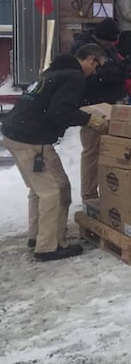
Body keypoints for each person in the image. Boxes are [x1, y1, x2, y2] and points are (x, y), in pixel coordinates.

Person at [1, 44, 109, 261]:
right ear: (90, 59)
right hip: (32, 139)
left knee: (41, 189)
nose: (94, 72)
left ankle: (38, 236)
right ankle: (48, 247)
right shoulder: (73, 77)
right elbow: (59, 112)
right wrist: (89, 120)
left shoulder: (54, 72)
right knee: (55, 191)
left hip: (16, 133)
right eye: (96, 66)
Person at [70, 18, 131, 202]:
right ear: (102, 38)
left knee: (112, 151)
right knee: (92, 152)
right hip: (92, 106)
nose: (112, 45)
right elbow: (91, 77)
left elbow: (112, 70)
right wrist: (114, 73)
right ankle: (89, 195)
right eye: (109, 41)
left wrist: (122, 72)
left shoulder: (109, 48)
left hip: (112, 104)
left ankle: (110, 191)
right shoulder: (82, 49)